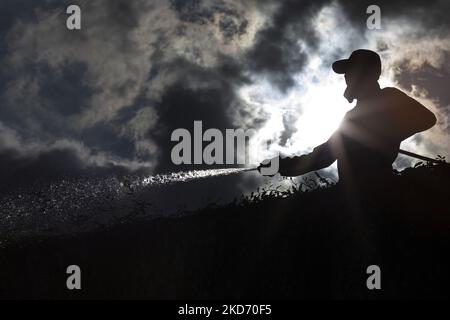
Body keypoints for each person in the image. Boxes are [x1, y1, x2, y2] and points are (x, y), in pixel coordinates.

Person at [259, 49, 437, 195]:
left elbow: (427, 119)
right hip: (351, 195)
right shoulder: (351, 117)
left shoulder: (389, 97)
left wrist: (386, 135)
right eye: (347, 74)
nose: (346, 78)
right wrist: (280, 165)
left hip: (377, 190)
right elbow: (324, 156)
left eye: (350, 73)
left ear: (365, 74)